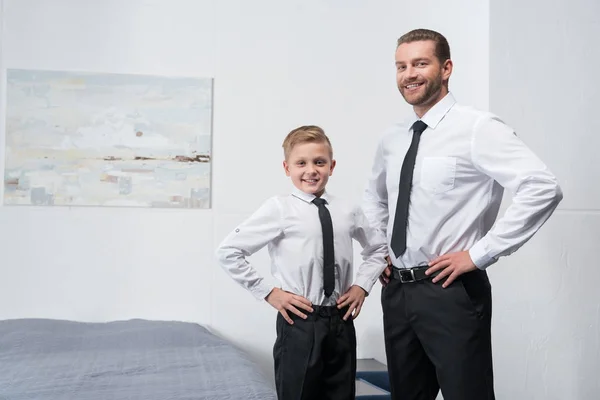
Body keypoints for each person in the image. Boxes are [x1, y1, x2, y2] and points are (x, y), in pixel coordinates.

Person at [362, 28, 563, 400]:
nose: (409, 74)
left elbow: (542, 186)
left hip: (450, 291)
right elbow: (374, 198)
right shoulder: (392, 137)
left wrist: (479, 253)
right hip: (397, 293)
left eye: (421, 63)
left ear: (446, 67)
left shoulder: (478, 128)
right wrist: (379, 251)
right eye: (401, 66)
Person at [215, 125, 389, 400]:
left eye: (319, 162)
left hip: (340, 320)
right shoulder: (279, 208)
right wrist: (269, 293)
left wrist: (362, 286)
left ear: (332, 166)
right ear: (287, 168)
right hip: (300, 320)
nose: (311, 170)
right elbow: (229, 251)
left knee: (341, 393)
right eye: (301, 163)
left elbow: (378, 249)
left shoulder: (348, 209)